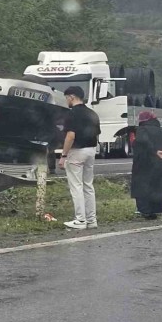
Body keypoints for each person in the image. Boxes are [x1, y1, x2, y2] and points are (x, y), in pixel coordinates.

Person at [58, 86, 101, 230]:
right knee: (88, 185)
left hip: (77, 151)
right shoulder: (92, 113)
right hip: (91, 150)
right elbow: (96, 134)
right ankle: (91, 220)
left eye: (66, 98)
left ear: (71, 97)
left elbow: (70, 136)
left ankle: (80, 220)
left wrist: (64, 155)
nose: (66, 101)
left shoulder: (71, 114)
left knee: (76, 186)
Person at [131, 111, 162, 220]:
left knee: (143, 186)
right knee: (158, 186)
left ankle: (145, 210)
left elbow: (143, 141)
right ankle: (157, 209)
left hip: (145, 163)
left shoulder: (141, 130)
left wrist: (154, 151)